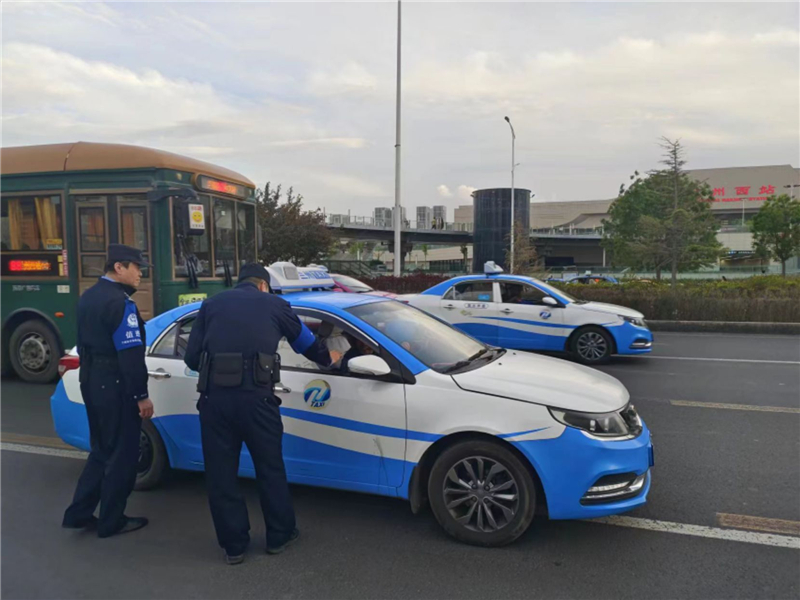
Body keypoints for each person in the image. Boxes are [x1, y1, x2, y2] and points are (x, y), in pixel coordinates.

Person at [184, 263, 340, 565]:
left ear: (240, 282)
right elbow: (307, 345)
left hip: (215, 402)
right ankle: (279, 536)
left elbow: (192, 357)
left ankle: (234, 546)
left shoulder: (211, 305)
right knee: (270, 468)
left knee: (220, 474)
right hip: (257, 400)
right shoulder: (275, 305)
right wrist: (330, 356)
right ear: (264, 285)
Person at [62, 244, 153, 538]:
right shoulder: (121, 304)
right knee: (123, 455)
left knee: (101, 450)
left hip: (91, 379)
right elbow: (130, 356)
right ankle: (112, 520)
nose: (140, 274)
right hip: (116, 384)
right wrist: (141, 395)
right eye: (136, 268)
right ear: (118, 267)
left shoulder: (89, 297)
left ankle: (79, 513)